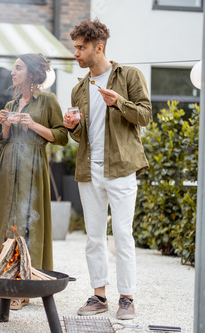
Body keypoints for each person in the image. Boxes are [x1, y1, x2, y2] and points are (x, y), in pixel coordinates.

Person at [63, 19, 152, 320]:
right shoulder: (79, 89)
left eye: (81, 47)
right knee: (94, 237)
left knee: (123, 235)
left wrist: (119, 103)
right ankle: (99, 295)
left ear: (98, 47)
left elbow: (145, 115)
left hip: (122, 168)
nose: (76, 52)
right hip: (90, 169)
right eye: (75, 47)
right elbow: (80, 136)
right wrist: (73, 128)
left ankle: (126, 298)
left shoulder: (128, 75)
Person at [0, 53, 68, 310]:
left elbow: (61, 136)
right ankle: (1, 280)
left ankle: (24, 287)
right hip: (9, 162)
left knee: (27, 224)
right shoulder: (12, 103)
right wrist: (5, 125)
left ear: (32, 74)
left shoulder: (48, 100)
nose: (13, 72)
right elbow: (5, 141)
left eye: (18, 68)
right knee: (6, 221)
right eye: (13, 68)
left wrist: (33, 124)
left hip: (32, 165)